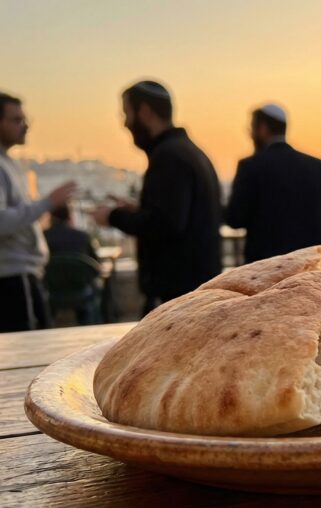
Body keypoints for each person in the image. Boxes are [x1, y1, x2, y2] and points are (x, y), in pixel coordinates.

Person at [92, 80, 221, 315]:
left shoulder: (169, 157)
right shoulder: (187, 151)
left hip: (178, 299)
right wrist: (138, 210)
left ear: (144, 112)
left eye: (126, 114)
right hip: (194, 293)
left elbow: (166, 224)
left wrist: (113, 216)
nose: (125, 124)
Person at [224, 104, 321, 262]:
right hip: (313, 265)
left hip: (270, 267)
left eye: (252, 128)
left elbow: (235, 219)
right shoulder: (320, 168)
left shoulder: (251, 166)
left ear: (263, 128)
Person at [0, 92, 77, 332]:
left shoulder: (8, 164)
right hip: (14, 278)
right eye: (16, 120)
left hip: (24, 275)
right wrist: (47, 203)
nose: (25, 126)